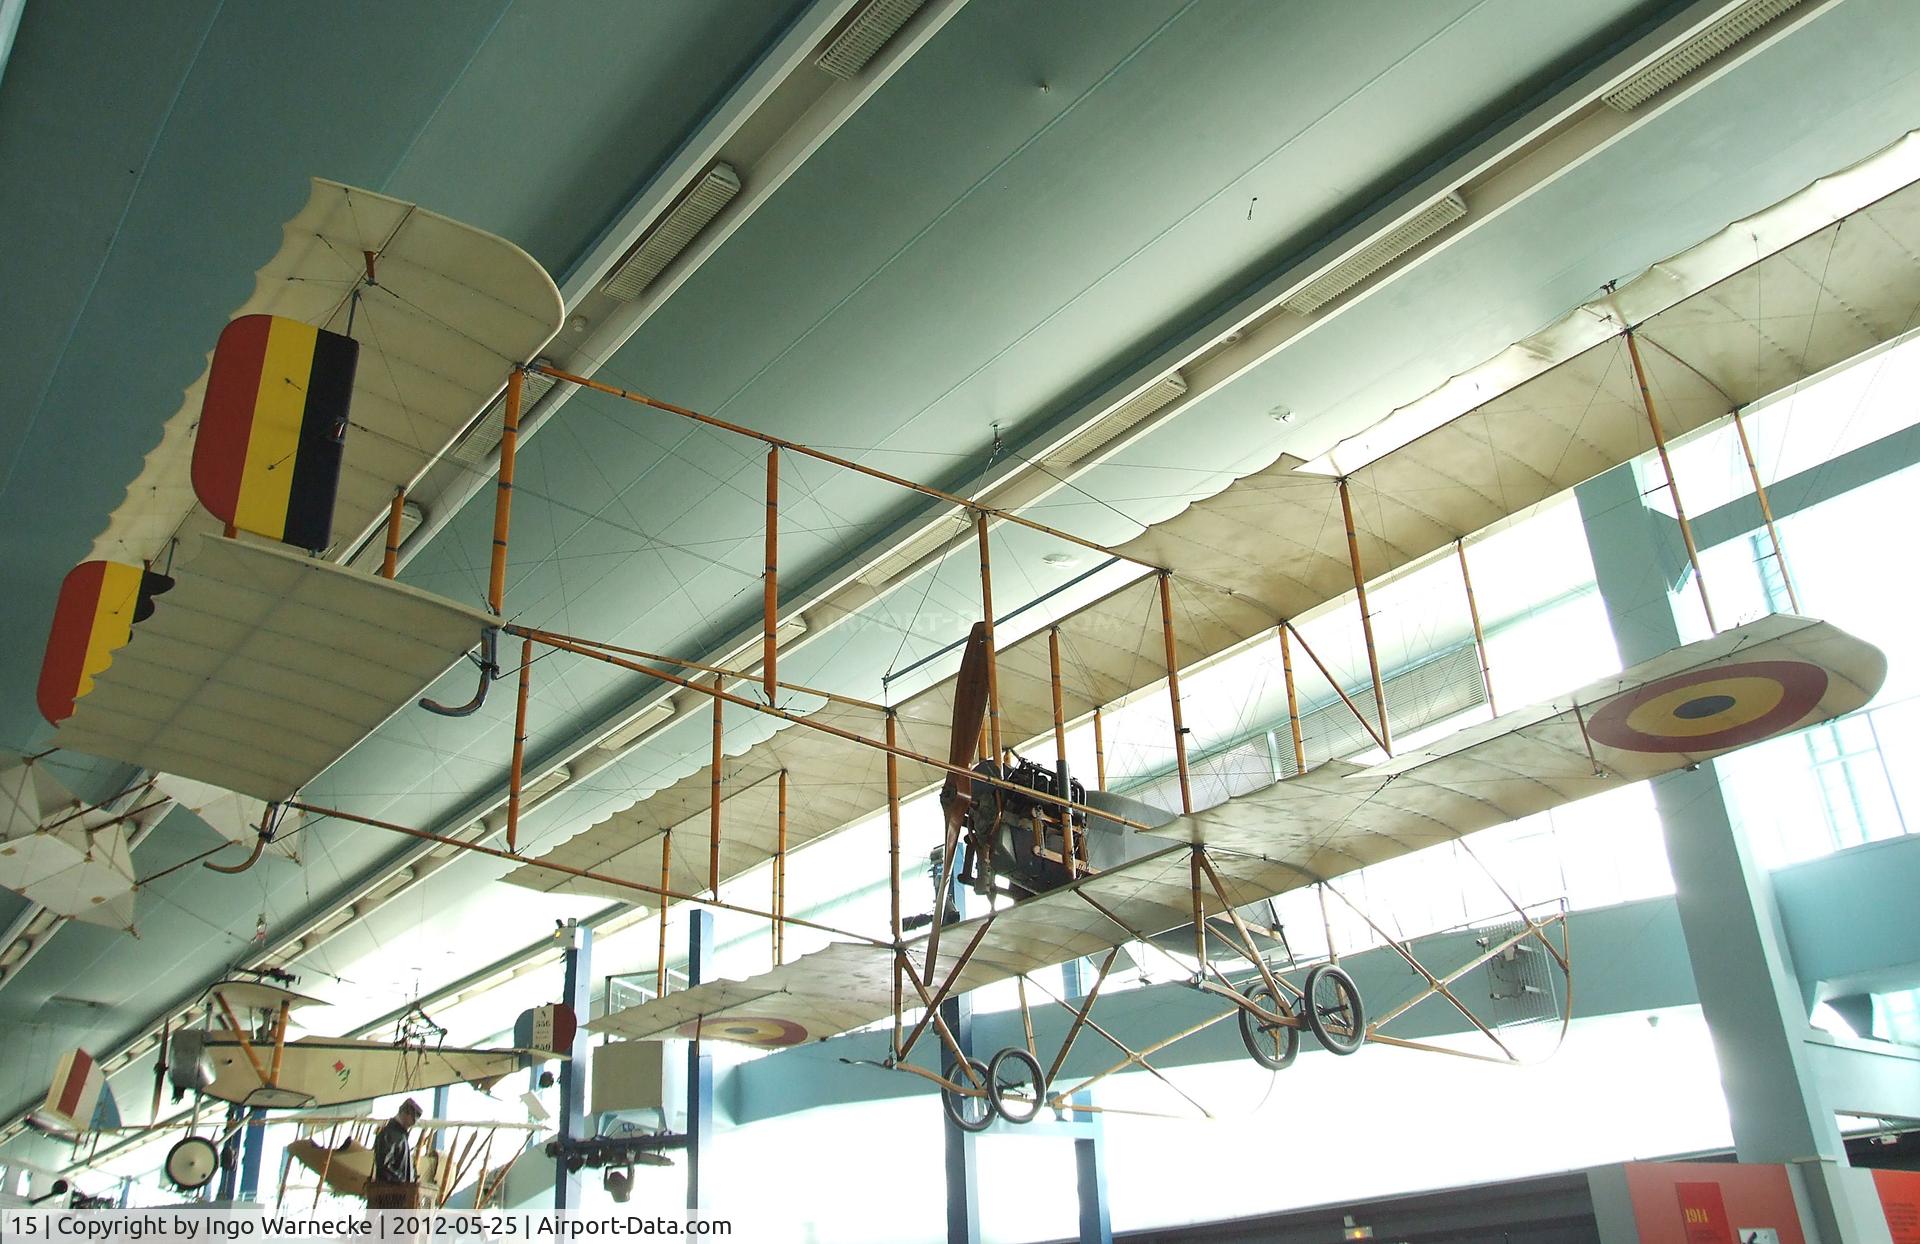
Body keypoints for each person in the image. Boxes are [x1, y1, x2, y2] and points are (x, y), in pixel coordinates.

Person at [367, 1098, 422, 1209]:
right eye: (413, 1119)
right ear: (405, 1113)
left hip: (399, 1199)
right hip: (391, 1200)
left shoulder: (399, 1136)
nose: (413, 1123)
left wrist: (413, 1178)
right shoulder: (390, 1135)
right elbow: (384, 1165)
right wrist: (404, 1183)